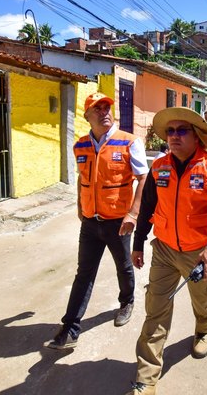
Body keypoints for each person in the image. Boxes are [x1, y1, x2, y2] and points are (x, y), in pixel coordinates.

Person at [127, 107, 207, 395]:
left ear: (196, 135)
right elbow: (148, 207)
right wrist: (138, 244)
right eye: (170, 131)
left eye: (181, 131)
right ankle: (146, 380)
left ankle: (203, 329)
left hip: (198, 251)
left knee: (203, 301)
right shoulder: (159, 166)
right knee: (156, 310)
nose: (173, 136)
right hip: (163, 249)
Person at [46, 93, 148, 350]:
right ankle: (70, 328)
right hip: (91, 221)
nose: (104, 111)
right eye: (97, 108)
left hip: (118, 221)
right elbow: (83, 179)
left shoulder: (129, 142)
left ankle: (127, 301)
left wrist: (133, 214)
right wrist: (81, 206)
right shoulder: (80, 145)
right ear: (87, 116)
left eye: (107, 107)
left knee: (123, 267)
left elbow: (143, 179)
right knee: (84, 273)